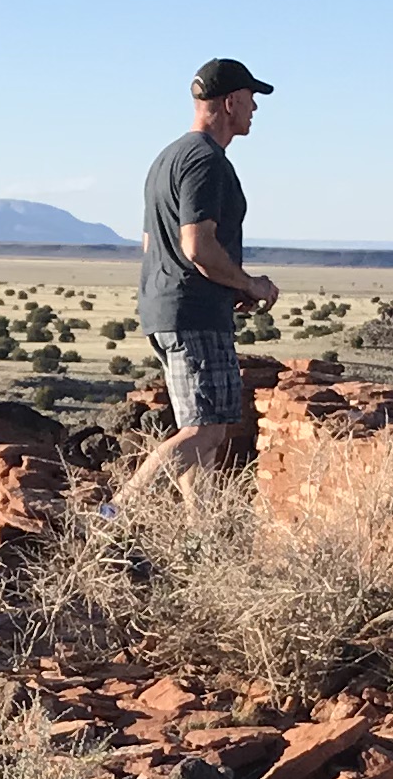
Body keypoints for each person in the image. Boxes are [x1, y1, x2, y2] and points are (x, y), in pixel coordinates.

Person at [109, 57, 277, 510]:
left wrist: (229, 287)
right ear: (230, 102)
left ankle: (198, 536)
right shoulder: (206, 161)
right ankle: (114, 514)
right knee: (205, 428)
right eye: (251, 100)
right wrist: (250, 284)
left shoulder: (168, 159)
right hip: (194, 313)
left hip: (168, 306)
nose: (255, 110)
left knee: (204, 430)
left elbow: (151, 244)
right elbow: (197, 247)